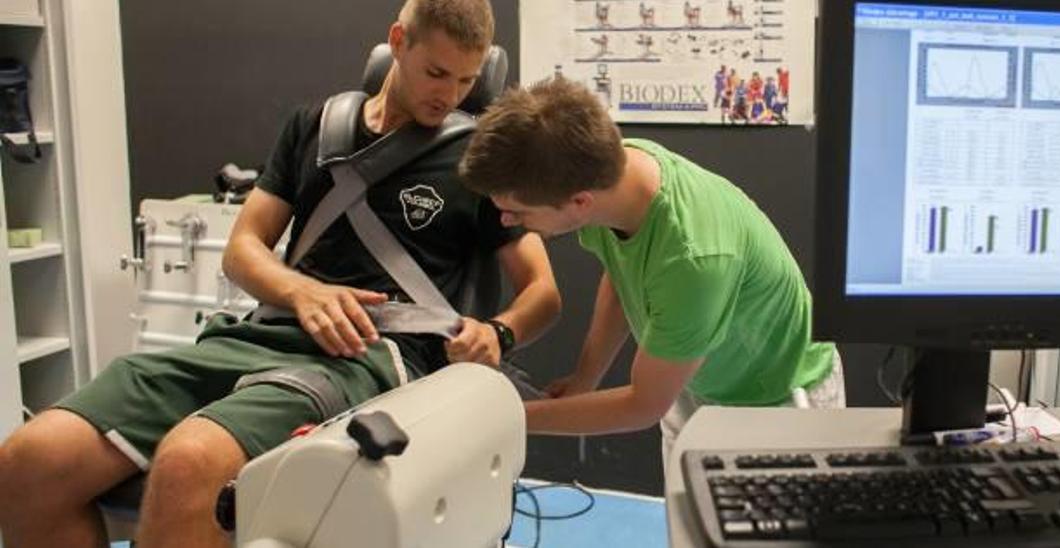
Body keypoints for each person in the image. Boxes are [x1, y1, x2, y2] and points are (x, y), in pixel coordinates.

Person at [0, 1, 561, 547]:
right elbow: (242, 248)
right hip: (257, 336)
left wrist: (499, 331)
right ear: (397, 43)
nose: (450, 94)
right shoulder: (316, 126)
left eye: (466, 80)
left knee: (189, 461)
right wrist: (301, 291)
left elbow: (543, 292)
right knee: (30, 460)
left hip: (367, 357)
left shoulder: (478, 160)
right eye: (436, 72)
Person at [458, 78, 845, 468]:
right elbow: (625, 272)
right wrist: (585, 377)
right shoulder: (611, 174)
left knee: (764, 529)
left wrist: (509, 418)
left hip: (778, 401)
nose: (507, 220)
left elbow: (643, 405)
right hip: (696, 378)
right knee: (685, 522)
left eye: (518, 212)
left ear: (579, 203)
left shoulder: (693, 261)